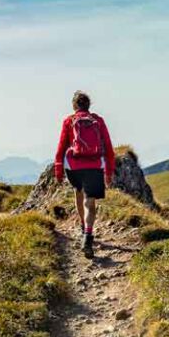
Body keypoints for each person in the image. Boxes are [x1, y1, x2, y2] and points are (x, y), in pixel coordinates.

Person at [54, 90, 116, 258]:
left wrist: (58, 170)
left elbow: (61, 147)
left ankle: (82, 226)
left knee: (78, 193)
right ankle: (88, 235)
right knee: (90, 202)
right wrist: (108, 173)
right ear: (89, 105)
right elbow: (109, 148)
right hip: (95, 165)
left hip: (73, 166)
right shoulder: (98, 120)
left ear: (74, 106)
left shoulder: (69, 121)